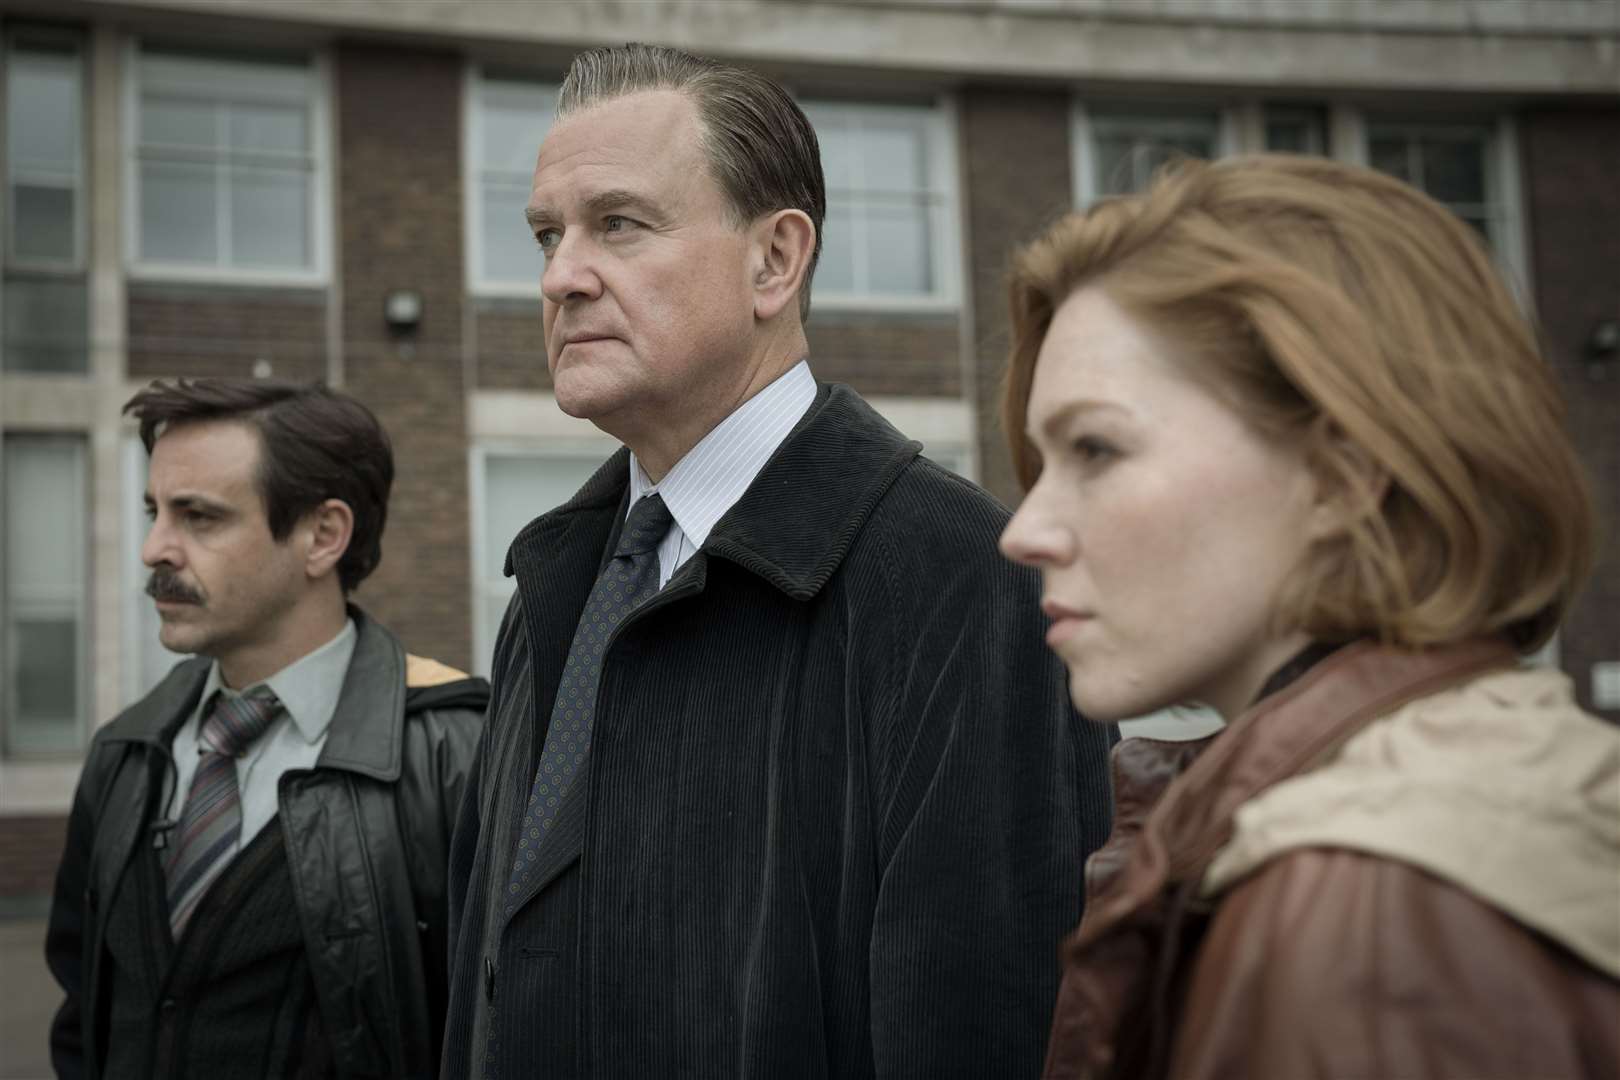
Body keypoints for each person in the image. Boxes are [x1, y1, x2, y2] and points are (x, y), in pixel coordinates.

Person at [442, 43, 1115, 1079]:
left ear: (775, 260)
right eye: (547, 234)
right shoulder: (554, 584)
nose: (562, 277)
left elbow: (983, 1021)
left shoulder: (966, 582)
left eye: (618, 224)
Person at [998, 154, 1620, 1080]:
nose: (1026, 530)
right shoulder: (1477, 791)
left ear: (1341, 475)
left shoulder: (1368, 915)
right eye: (1040, 464)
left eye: (1096, 448)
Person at [46, 378, 488, 1080]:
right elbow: (84, 1017)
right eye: (154, 512)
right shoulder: (126, 755)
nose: (154, 548)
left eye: (199, 517)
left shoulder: (454, 757)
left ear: (323, 536)